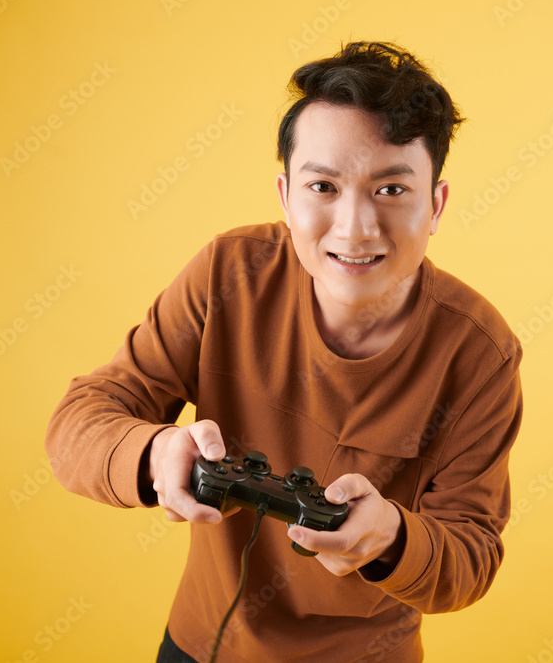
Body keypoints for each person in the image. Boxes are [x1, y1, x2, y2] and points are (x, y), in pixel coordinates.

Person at [45, 41, 523, 662]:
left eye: (391, 191)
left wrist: (393, 537)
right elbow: (78, 422)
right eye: (322, 185)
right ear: (284, 197)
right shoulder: (228, 273)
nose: (354, 228)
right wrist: (155, 452)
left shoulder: (481, 354)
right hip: (201, 645)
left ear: (435, 206)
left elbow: (471, 558)